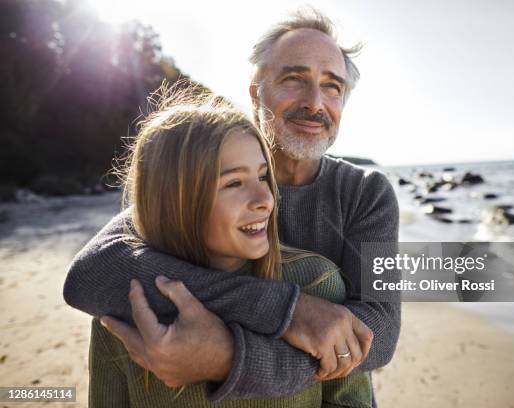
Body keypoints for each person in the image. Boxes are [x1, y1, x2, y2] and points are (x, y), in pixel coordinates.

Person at [63, 8, 400, 406]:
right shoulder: (199, 178)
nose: (315, 102)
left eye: (332, 87)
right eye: (294, 79)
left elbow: (378, 332)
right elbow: (93, 271)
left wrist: (230, 359)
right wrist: (286, 311)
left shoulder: (367, 193)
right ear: (256, 91)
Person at [86, 87, 373, 407]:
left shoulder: (316, 283)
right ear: (175, 201)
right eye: (234, 183)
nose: (266, 200)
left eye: (264, 177)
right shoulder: (126, 304)